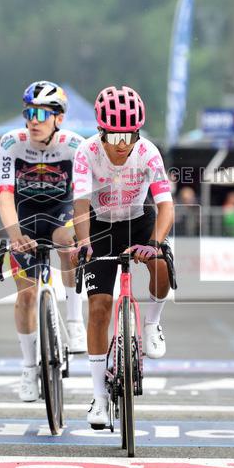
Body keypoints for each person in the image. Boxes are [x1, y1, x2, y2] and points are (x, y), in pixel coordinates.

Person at [70, 85, 174, 429]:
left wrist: (155, 244)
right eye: (114, 136)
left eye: (129, 135)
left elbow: (166, 206)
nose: (121, 144)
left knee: (161, 263)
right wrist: (84, 242)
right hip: (99, 226)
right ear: (100, 131)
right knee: (99, 307)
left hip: (137, 221)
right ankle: (99, 397)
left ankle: (152, 323)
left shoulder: (148, 152)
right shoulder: (86, 152)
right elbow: (80, 205)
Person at [0, 81, 88, 403]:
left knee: (68, 242)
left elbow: (83, 199)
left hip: (62, 210)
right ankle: (27, 366)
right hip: (25, 217)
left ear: (58, 118)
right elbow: (5, 197)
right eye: (28, 113)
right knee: (26, 296)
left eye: (41, 114)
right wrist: (15, 236)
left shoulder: (75, 146)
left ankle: (75, 321)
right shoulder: (11, 143)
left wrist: (81, 233)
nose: (33, 121)